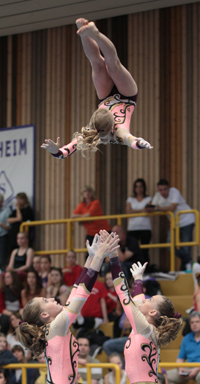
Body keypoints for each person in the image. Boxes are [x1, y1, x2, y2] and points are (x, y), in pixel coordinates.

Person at [41, 19, 153, 159]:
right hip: (127, 96)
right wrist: (140, 142)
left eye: (103, 138)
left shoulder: (92, 131)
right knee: (113, 64)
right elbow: (131, 141)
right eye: (103, 138)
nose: (104, 141)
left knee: (97, 64)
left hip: (105, 96)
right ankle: (94, 34)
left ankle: (85, 33)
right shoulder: (119, 132)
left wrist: (54, 151)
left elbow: (64, 153)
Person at [16, 233, 119, 384]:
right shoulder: (55, 327)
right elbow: (81, 295)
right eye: (46, 301)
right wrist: (99, 257)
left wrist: (90, 258)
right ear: (44, 314)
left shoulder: (55, 326)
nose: (52, 298)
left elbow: (75, 291)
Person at [101, 229, 183, 384]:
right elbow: (137, 300)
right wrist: (138, 278)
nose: (145, 299)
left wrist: (113, 257)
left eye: (150, 299)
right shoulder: (145, 328)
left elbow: (124, 294)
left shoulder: (145, 328)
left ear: (153, 312)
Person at [147, 179, 195, 270]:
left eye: (165, 189)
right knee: (170, 245)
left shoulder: (175, 191)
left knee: (186, 248)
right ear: (158, 190)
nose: (163, 192)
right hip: (175, 223)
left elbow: (172, 208)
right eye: (160, 190)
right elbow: (152, 206)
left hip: (187, 221)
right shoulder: (157, 196)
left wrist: (156, 208)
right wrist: (148, 207)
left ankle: (184, 268)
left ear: (169, 188)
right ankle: (189, 262)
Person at [167, 311, 200, 384]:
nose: (194, 324)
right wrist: (181, 369)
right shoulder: (186, 338)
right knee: (165, 376)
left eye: (197, 322)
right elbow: (180, 359)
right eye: (192, 322)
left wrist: (197, 369)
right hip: (188, 368)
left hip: (199, 368)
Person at [126, 178, 152, 265]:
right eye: (137, 187)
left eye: (140, 186)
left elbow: (149, 209)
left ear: (144, 187)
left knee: (145, 249)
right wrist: (141, 210)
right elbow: (128, 211)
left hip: (145, 227)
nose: (139, 188)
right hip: (133, 228)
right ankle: (133, 268)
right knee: (132, 249)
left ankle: (146, 268)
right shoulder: (130, 199)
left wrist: (134, 211)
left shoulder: (148, 198)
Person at [0, 194, 11, 271]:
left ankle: (3, 278)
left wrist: (0, 223)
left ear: (1, 202)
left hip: (2, 237)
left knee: (2, 259)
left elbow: (9, 227)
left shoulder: (6, 211)